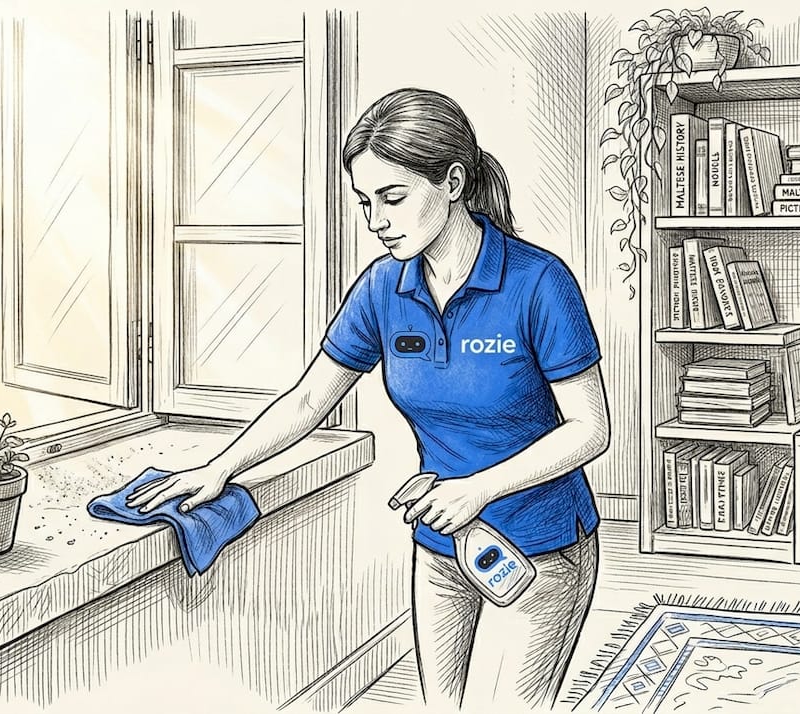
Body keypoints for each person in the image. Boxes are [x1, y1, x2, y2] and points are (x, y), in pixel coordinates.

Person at [127, 87, 609, 709]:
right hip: (443, 545)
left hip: (543, 544)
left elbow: (589, 430)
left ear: (454, 182)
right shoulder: (384, 287)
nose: (377, 220)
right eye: (364, 202)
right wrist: (218, 468)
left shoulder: (540, 282)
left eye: (392, 197)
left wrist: (478, 488)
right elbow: (307, 402)